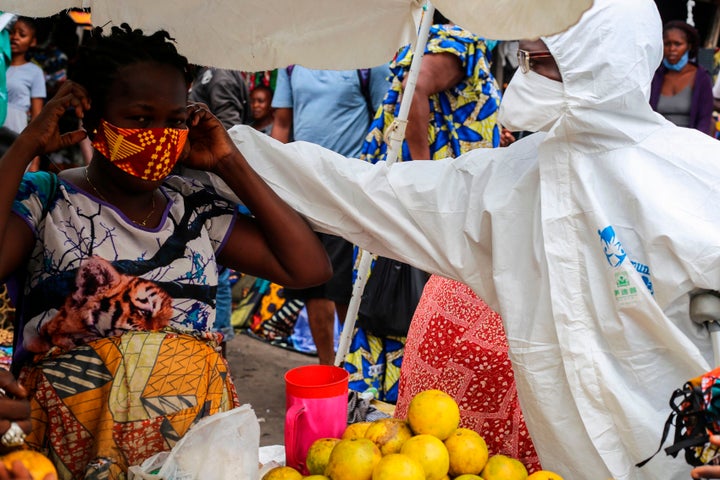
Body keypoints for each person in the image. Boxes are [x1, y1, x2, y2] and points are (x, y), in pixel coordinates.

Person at [227, 0, 720, 477]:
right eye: (525, 60)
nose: (527, 77)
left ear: (605, 58)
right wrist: (232, 152)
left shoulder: (700, 178)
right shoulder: (505, 186)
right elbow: (363, 193)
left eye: (545, 62)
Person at [0, 24, 330, 478]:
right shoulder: (46, 200)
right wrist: (28, 144)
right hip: (74, 452)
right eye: (140, 118)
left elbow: (307, 267)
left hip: (197, 457)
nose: (158, 135)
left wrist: (229, 161)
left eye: (174, 121)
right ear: (91, 116)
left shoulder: (194, 207)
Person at [270, 64, 390, 365]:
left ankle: (351, 367)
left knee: (343, 288)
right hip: (301, 187)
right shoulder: (291, 62)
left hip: (346, 190)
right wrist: (269, 178)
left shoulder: (367, 61)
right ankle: (328, 369)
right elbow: (282, 124)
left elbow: (385, 123)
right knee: (311, 284)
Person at [650, 20, 713, 135]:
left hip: (688, 143)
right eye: (667, 44)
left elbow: (704, 120)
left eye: (677, 44)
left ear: (689, 46)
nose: (672, 49)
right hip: (657, 140)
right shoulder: (655, 76)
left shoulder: (701, 77)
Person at [3, 17, 45, 135]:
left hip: (15, 133)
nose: (15, 37)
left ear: (33, 41)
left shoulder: (35, 72)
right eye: (11, 32)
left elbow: (37, 116)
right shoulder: (1, 65)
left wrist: (34, 150)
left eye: (22, 35)